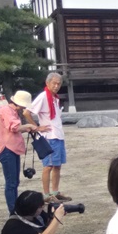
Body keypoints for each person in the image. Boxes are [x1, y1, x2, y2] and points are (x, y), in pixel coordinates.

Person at [0, 90, 48, 214]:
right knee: (11, 183)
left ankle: (15, 209)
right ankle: (13, 211)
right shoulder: (6, 111)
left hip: (11, 149)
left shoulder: (12, 111)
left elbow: (15, 130)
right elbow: (14, 127)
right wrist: (30, 125)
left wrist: (28, 127)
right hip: (7, 149)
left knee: (14, 182)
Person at [27, 72, 71, 203]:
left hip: (58, 135)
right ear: (47, 83)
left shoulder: (55, 98)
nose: (56, 86)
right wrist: (36, 127)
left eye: (59, 83)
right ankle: (46, 195)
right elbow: (27, 112)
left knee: (57, 165)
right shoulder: (43, 97)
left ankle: (55, 192)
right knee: (48, 166)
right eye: (54, 83)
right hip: (49, 136)